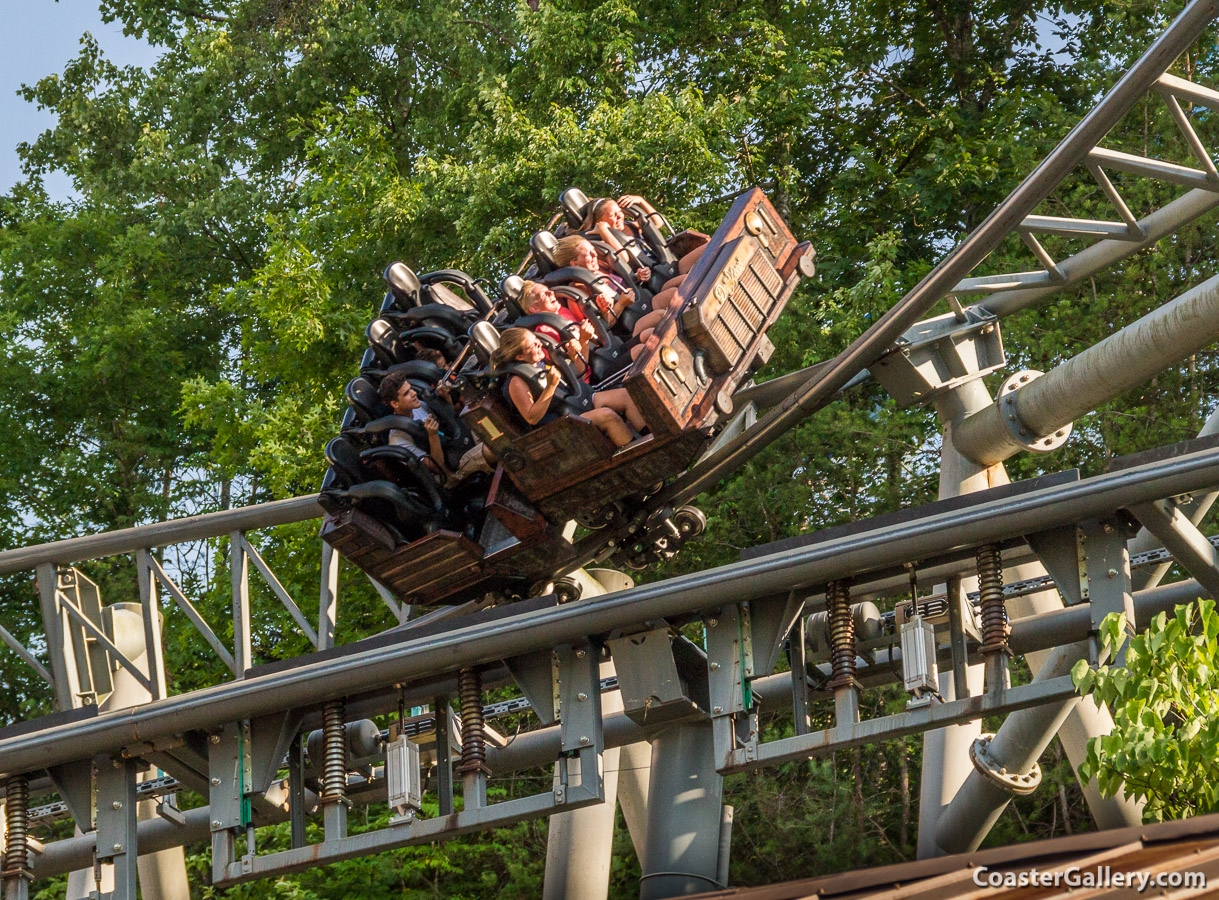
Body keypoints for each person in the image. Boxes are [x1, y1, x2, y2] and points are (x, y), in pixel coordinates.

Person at [518, 281, 649, 433]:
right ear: (534, 308)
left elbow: (598, 334)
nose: (551, 293)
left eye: (549, 290)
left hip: (609, 351)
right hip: (596, 373)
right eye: (544, 294)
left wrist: (606, 309)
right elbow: (577, 369)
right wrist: (583, 340)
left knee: (648, 337)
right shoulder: (545, 332)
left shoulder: (563, 312)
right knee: (642, 351)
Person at [491, 328, 636, 448]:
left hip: (575, 403)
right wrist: (551, 386)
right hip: (560, 425)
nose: (539, 344)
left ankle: (648, 434)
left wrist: (574, 356)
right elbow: (531, 418)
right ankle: (642, 462)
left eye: (536, 340)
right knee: (607, 416)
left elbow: (580, 374)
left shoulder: (541, 362)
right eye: (533, 346)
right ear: (520, 357)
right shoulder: (516, 382)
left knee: (625, 395)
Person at [582, 195, 705, 288]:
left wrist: (640, 201)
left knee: (712, 247)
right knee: (694, 279)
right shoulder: (602, 245)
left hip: (668, 265)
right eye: (613, 215)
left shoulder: (630, 226)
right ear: (600, 221)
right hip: (655, 282)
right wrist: (604, 231)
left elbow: (657, 223)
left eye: (620, 212)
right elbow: (622, 258)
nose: (620, 216)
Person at [377, 369, 451, 478]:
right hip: (447, 474)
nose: (414, 393)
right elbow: (436, 468)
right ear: (395, 403)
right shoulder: (397, 440)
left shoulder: (418, 406)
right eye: (406, 393)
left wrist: (446, 398)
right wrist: (433, 436)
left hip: (453, 448)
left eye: (411, 388)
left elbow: (450, 426)